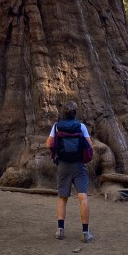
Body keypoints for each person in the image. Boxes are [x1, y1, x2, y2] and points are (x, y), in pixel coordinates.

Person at [46, 101, 94, 242]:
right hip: (79, 165)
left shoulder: (56, 126)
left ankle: (60, 230)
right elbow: (90, 145)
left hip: (63, 165)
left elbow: (48, 143)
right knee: (83, 197)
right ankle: (85, 232)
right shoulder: (81, 126)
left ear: (63, 112)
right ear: (75, 113)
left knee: (62, 197)